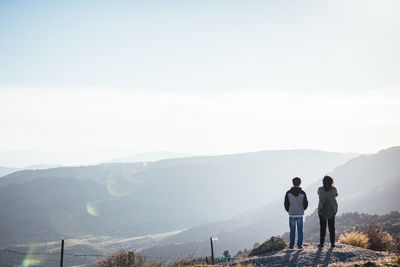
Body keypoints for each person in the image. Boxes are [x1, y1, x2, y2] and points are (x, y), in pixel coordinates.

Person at [284, 177, 308, 249]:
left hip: (291, 214)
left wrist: (289, 210)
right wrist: (302, 209)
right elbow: (306, 204)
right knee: (300, 230)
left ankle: (291, 246)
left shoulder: (288, 193)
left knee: (292, 230)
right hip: (300, 214)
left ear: (293, 183)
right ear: (300, 183)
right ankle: (299, 246)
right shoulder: (303, 193)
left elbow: (286, 204)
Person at [317, 175, 338, 248]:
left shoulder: (320, 190)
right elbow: (336, 194)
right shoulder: (334, 190)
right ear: (331, 182)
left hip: (322, 211)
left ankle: (321, 243)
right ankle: (332, 243)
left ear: (323, 182)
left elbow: (320, 194)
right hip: (331, 211)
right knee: (331, 227)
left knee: (322, 227)